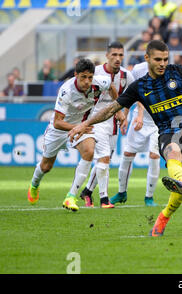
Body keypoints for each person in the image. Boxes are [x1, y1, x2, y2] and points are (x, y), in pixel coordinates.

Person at [68, 40, 182, 236]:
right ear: (147, 58)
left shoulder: (180, 72)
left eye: (166, 59)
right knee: (173, 151)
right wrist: (84, 124)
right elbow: (110, 110)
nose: (162, 63)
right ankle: (180, 181)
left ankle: (164, 215)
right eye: (158, 59)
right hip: (168, 132)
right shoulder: (139, 87)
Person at [27, 58, 124, 211]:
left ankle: (71, 197)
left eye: (90, 77)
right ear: (75, 75)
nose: (87, 81)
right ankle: (34, 183)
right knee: (46, 166)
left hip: (82, 127)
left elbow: (111, 87)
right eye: (83, 77)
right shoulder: (66, 91)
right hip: (60, 130)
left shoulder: (100, 82)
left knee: (89, 151)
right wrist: (78, 127)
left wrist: (117, 109)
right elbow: (57, 122)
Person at [78, 42, 134, 208]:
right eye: (114, 55)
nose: (117, 59)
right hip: (96, 121)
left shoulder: (126, 76)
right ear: (107, 55)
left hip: (114, 123)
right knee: (104, 158)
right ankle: (104, 199)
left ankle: (87, 191)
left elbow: (131, 96)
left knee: (105, 160)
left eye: (120, 55)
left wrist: (125, 116)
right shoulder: (95, 72)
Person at [109, 60, 161, 207]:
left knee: (154, 155)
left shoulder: (166, 71)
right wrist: (126, 115)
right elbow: (132, 94)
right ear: (148, 56)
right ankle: (121, 193)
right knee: (128, 154)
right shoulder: (138, 69)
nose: (161, 61)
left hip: (157, 122)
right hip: (139, 120)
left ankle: (149, 197)